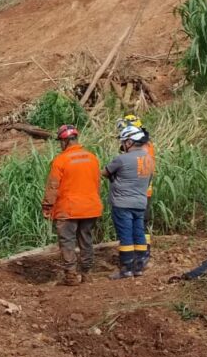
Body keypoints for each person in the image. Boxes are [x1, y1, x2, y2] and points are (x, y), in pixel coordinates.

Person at [41, 124, 103, 286]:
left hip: (68, 209)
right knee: (86, 240)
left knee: (67, 241)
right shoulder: (92, 158)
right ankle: (87, 274)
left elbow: (53, 186)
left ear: (64, 141)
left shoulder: (61, 160)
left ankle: (71, 275)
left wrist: (47, 206)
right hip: (90, 207)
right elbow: (97, 183)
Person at [103, 125, 154, 279]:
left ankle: (126, 269)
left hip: (122, 204)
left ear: (130, 142)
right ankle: (138, 267)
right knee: (139, 233)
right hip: (140, 203)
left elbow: (104, 172)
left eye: (124, 141)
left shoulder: (121, 159)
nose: (123, 144)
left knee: (125, 236)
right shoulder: (149, 159)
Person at [117, 113, 155, 269]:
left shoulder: (143, 149)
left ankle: (140, 257)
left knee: (139, 225)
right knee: (139, 225)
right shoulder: (146, 146)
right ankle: (140, 256)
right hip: (141, 191)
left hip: (138, 192)